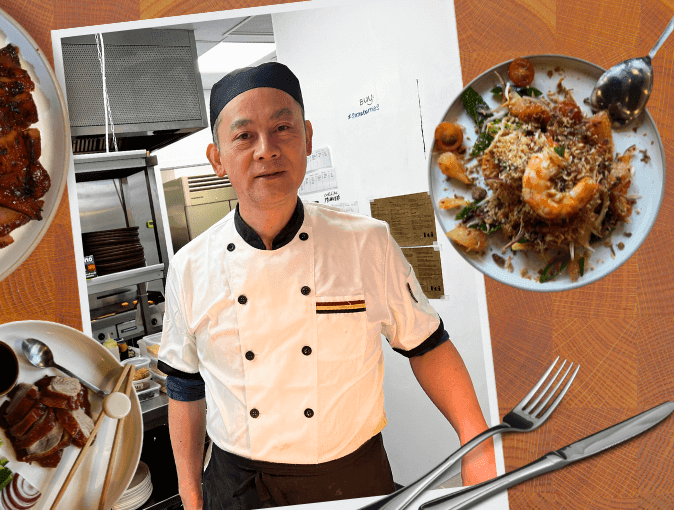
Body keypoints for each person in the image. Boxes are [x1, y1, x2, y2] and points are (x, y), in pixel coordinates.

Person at [157, 62, 497, 510]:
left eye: (283, 127)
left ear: (308, 138)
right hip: (239, 487)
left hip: (354, 478)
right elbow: (184, 387)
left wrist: (478, 442)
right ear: (217, 158)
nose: (266, 149)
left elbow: (427, 345)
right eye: (244, 136)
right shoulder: (189, 267)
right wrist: (189, 494)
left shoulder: (366, 242)